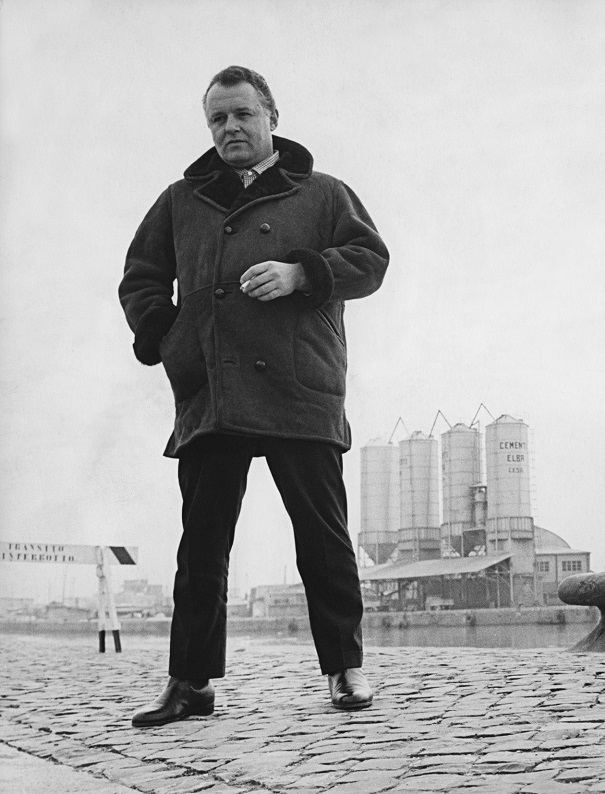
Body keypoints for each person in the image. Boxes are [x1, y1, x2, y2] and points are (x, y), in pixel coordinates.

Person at [118, 66, 389, 727]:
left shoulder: (323, 193)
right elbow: (141, 277)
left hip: (300, 386)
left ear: (271, 116)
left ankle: (345, 668)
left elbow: (371, 259)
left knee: (322, 539)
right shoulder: (180, 200)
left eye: (242, 114)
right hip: (213, 390)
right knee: (201, 547)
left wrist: (303, 272)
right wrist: (166, 335)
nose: (230, 127)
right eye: (218, 119)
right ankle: (190, 684)